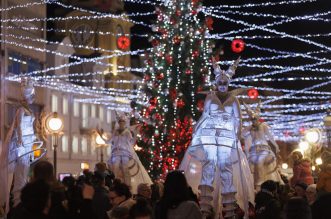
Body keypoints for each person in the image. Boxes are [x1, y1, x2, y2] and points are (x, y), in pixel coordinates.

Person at [180, 57, 254, 218]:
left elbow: (238, 119)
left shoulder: (233, 99)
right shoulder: (210, 97)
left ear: (228, 84)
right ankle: (205, 209)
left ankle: (229, 210)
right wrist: (196, 129)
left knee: (225, 167)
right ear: (216, 83)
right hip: (209, 135)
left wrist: (237, 135)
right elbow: (205, 115)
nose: (222, 85)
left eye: (224, 83)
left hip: (227, 137)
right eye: (219, 82)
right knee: (209, 165)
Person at [0, 78, 44, 213]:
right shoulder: (20, 109)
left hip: (28, 140)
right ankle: (17, 198)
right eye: (31, 96)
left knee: (24, 170)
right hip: (23, 141)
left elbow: (29, 126)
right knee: (22, 170)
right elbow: (18, 125)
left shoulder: (27, 109)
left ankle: (19, 195)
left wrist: (34, 136)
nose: (32, 98)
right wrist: (20, 138)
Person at [102, 114, 152, 193]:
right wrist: (101, 136)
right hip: (116, 152)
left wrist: (135, 134)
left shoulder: (127, 132)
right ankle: (115, 184)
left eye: (122, 122)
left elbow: (131, 142)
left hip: (125, 152)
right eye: (120, 122)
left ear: (124, 123)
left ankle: (128, 185)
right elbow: (109, 141)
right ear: (119, 123)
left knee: (125, 168)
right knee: (115, 167)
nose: (121, 123)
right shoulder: (115, 132)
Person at [242, 102, 283, 190]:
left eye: (255, 119)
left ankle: (259, 185)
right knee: (249, 167)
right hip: (253, 150)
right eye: (252, 119)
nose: (254, 121)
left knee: (258, 163)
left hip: (264, 149)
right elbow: (241, 134)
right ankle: (250, 186)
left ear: (258, 118)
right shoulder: (249, 127)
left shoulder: (263, 126)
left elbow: (270, 136)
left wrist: (276, 146)